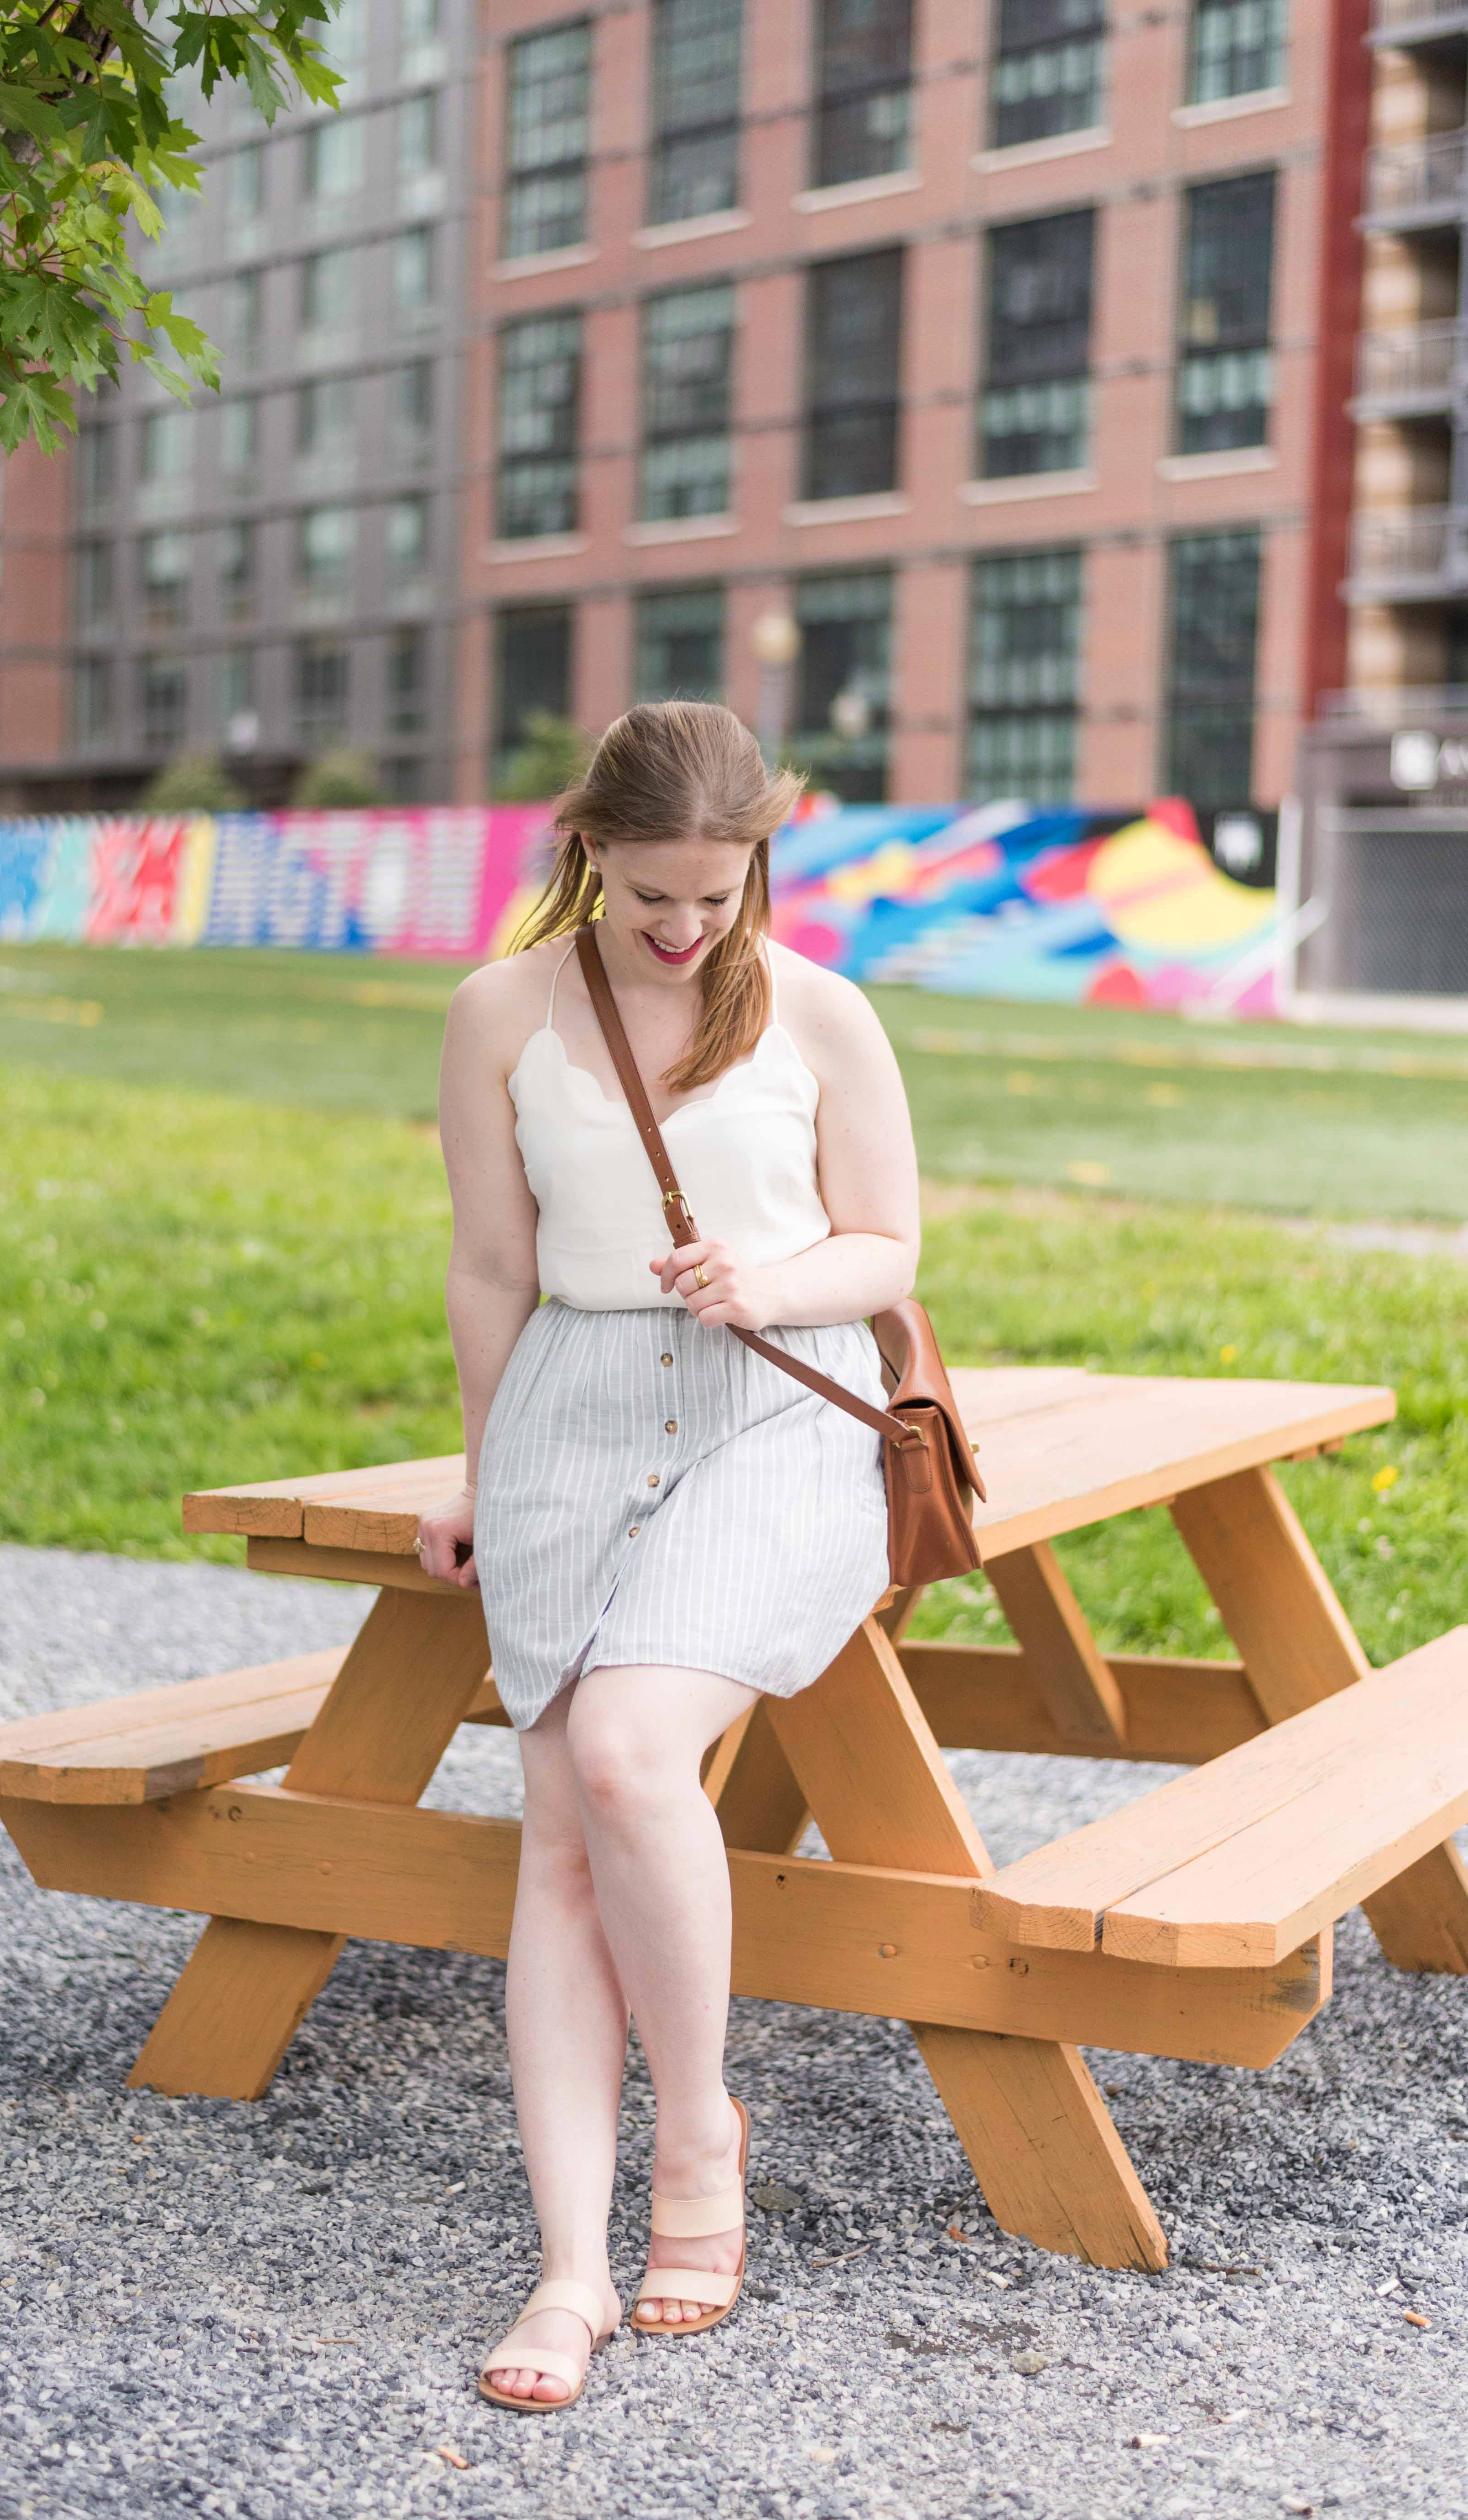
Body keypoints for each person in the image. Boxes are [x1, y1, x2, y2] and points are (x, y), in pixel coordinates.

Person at [417, 700, 921, 2411]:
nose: (687, 928)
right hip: (567, 1417)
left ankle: (696, 2138)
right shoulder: (501, 1012)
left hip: (774, 1417)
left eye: (719, 893)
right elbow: (494, 1267)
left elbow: (890, 1244)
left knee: (632, 1753)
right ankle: (569, 2273)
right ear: (588, 852)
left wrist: (768, 1286)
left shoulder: (822, 1015)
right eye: (651, 897)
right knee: (558, 1836)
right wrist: (484, 1474)